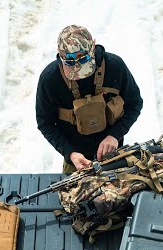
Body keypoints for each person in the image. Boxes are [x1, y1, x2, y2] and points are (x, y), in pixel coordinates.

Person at [36, 25, 144, 174]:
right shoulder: (50, 79)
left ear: (93, 46)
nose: (80, 73)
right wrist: (70, 153)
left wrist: (114, 136)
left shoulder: (115, 67)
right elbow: (45, 122)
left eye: (85, 60)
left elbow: (135, 103)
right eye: (70, 64)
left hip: (113, 156)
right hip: (76, 161)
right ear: (61, 57)